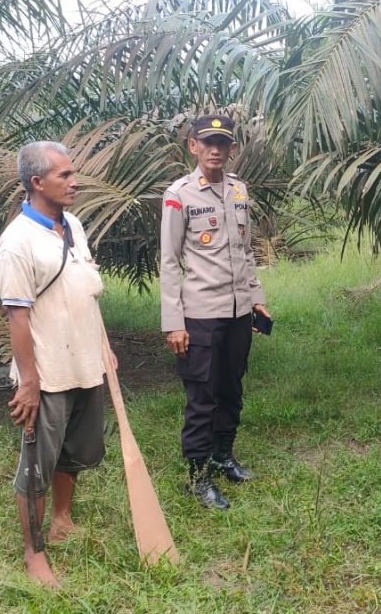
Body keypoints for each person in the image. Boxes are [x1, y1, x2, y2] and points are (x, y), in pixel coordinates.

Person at [0, 141, 114, 586]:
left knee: (75, 452)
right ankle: (34, 553)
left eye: (73, 173)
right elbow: (18, 317)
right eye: (64, 175)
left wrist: (103, 347)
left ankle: (62, 520)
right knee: (37, 466)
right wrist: (28, 383)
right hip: (46, 374)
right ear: (36, 183)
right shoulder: (17, 242)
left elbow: (84, 288)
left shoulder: (74, 225)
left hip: (85, 363)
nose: (74, 181)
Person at [159, 114, 271, 510]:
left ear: (231, 149)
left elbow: (246, 251)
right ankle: (198, 475)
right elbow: (170, 262)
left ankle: (224, 455)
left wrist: (256, 298)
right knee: (202, 397)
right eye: (207, 142)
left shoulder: (238, 191)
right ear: (192, 146)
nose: (215, 150)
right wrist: (174, 322)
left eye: (222, 144)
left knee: (231, 388)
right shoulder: (179, 195)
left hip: (239, 310)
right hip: (201, 314)